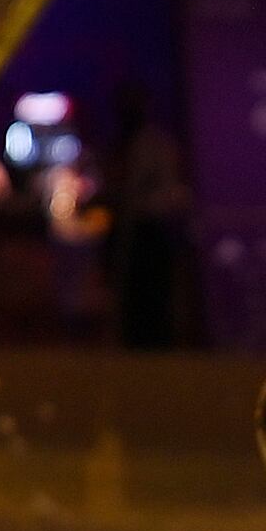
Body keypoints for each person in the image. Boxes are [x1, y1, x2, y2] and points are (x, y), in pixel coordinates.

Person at [107, 83, 198, 349]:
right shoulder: (130, 144)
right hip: (135, 229)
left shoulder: (153, 144)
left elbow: (163, 190)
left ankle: (154, 344)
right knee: (136, 295)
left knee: (152, 294)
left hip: (152, 230)